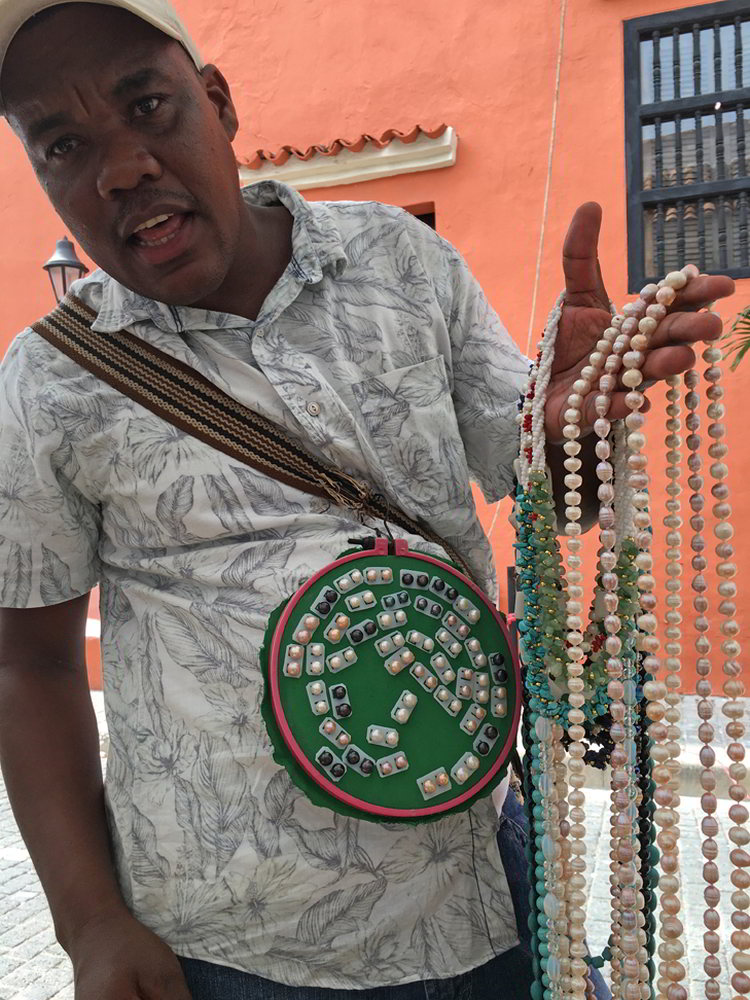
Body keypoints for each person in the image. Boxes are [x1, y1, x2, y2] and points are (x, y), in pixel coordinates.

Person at [0, 1, 733, 998]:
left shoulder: (400, 259)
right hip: (238, 950)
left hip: (487, 889)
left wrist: (570, 429)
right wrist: (90, 924)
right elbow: (31, 663)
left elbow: (548, 494)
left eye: (149, 106)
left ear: (218, 102)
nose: (122, 168)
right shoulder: (51, 382)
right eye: (64, 145)